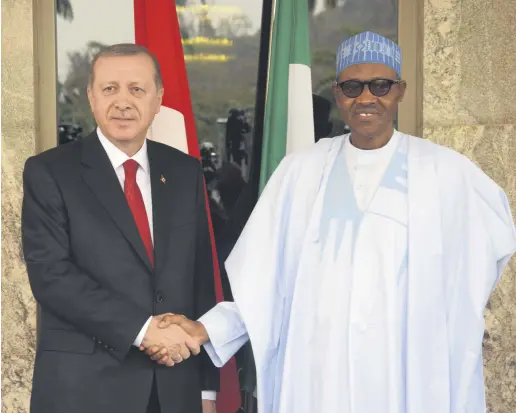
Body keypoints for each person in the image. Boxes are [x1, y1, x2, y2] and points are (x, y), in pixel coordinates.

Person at [149, 32, 516, 413]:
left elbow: (478, 263)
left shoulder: (445, 172)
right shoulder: (301, 172)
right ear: (339, 94)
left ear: (400, 91)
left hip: (405, 371)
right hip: (320, 373)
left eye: (381, 85)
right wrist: (207, 328)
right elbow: (264, 286)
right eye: (353, 87)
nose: (367, 98)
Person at [21, 44, 218, 413]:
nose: (123, 102)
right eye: (110, 89)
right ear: (92, 97)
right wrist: (145, 330)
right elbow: (52, 277)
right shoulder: (50, 172)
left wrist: (207, 391)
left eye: (137, 89)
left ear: (158, 100)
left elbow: (200, 279)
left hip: (174, 389)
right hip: (83, 390)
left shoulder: (184, 171)